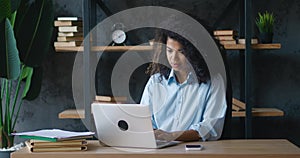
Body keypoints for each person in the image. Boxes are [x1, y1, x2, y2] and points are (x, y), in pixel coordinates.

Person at [140, 29, 227, 141]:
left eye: (181, 52)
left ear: (194, 52)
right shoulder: (156, 81)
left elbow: (211, 128)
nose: (174, 58)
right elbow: (143, 122)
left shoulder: (213, 81)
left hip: (196, 151)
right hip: (159, 151)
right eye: (169, 51)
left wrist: (173, 136)